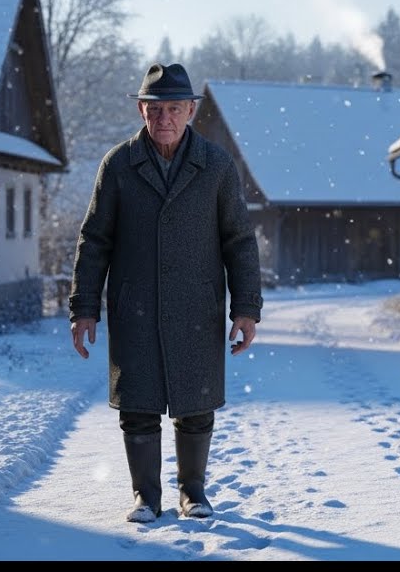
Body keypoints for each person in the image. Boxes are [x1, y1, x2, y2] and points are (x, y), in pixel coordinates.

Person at [68, 62, 263, 523]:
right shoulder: (118, 165)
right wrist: (84, 308)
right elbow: (94, 238)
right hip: (134, 305)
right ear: (141, 110)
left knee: (195, 406)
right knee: (138, 405)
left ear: (191, 111)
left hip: (198, 304)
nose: (165, 119)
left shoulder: (215, 165)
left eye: (175, 108)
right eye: (155, 109)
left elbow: (239, 238)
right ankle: (146, 497)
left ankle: (193, 494)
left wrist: (247, 308)